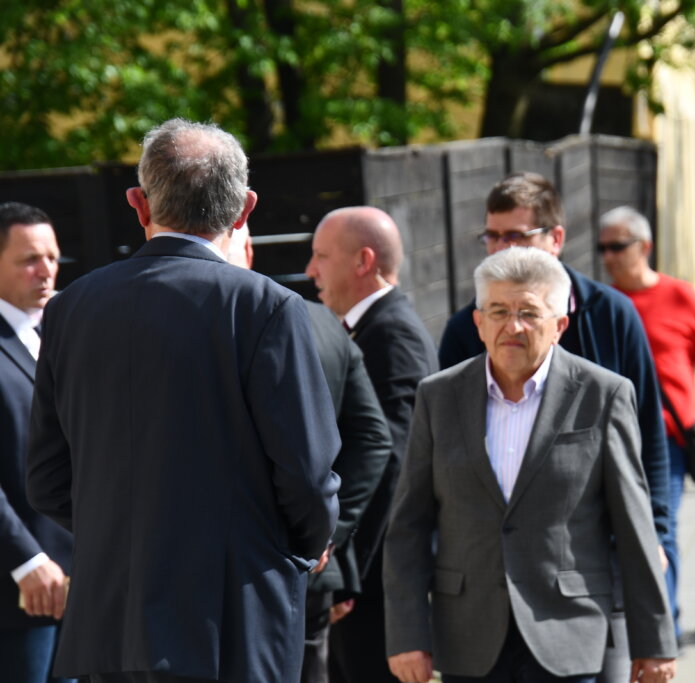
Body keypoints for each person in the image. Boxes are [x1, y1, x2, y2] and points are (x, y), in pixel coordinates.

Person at [26, 118, 342, 683]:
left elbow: (48, 479)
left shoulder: (71, 308)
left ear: (138, 204)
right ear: (245, 209)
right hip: (229, 625)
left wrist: (127, 532)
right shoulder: (265, 308)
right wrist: (299, 545)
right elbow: (308, 478)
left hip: (109, 627)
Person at [384, 247, 676, 683]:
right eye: (499, 311)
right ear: (478, 323)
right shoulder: (438, 397)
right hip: (468, 636)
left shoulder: (603, 395)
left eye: (529, 313)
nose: (513, 326)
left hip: (567, 632)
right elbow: (408, 525)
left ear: (559, 325)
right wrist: (407, 634)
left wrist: (654, 643)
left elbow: (634, 526)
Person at [437, 174, 669, 681]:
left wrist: (659, 538)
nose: (501, 248)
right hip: (497, 582)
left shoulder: (611, 316)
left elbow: (648, 443)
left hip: (599, 563)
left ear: (556, 239)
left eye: (516, 236)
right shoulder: (466, 329)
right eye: (492, 236)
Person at [227, 225, 393, 683]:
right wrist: (327, 534)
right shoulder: (321, 320)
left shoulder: (213, 324)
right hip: (310, 564)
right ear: (249, 251)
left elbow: (374, 438)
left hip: (241, 570)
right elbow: (372, 438)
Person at [305, 206, 439, 683]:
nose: (310, 270)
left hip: (374, 580)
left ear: (363, 261)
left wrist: (346, 575)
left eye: (321, 256)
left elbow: (393, 466)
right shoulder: (370, 328)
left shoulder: (392, 335)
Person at [598, 205, 695, 645]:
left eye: (618, 246)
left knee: (662, 528)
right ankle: (631, 622)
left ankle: (666, 628)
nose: (609, 257)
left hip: (667, 440)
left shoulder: (682, 298)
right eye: (603, 248)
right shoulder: (601, 306)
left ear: (645, 246)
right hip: (613, 438)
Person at [0, 202, 73, 683]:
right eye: (29, 259)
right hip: (18, 590)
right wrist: (25, 559)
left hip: (87, 582)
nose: (46, 270)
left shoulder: (73, 332)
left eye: (52, 257)